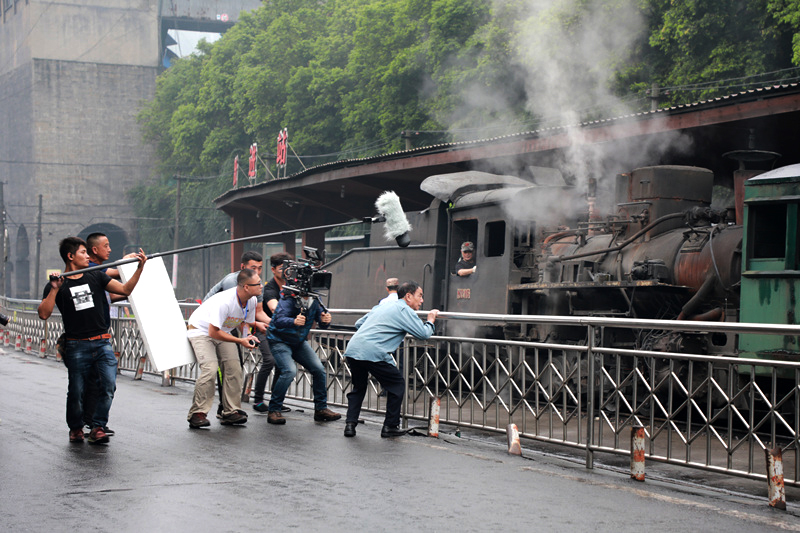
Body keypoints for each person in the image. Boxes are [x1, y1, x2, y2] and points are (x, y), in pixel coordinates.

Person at [38, 237, 147, 444]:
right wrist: (54, 288)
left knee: (108, 385)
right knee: (77, 390)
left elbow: (125, 290)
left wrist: (139, 269)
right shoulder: (58, 284)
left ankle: (97, 426)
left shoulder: (96, 276)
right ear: (70, 256)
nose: (88, 256)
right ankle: (76, 428)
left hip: (102, 342)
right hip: (76, 345)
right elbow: (44, 314)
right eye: (83, 252)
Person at [342, 281, 438, 438]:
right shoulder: (404, 310)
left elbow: (358, 323)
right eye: (420, 296)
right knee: (397, 385)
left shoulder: (383, 305)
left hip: (354, 349)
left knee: (359, 387)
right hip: (374, 352)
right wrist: (431, 320)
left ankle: (350, 425)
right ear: (408, 296)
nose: (422, 300)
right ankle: (390, 426)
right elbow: (423, 334)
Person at [187, 268, 266, 428]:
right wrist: (240, 340)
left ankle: (230, 411)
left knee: (234, 368)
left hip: (223, 330)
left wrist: (248, 336)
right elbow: (213, 332)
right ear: (246, 287)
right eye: (258, 284)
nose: (261, 286)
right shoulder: (225, 301)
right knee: (210, 369)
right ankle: (197, 413)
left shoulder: (251, 300)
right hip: (201, 331)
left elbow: (244, 322)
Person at [204, 251, 274, 418]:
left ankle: (230, 408)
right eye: (253, 268)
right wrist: (246, 333)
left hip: (229, 324)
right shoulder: (233, 282)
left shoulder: (256, 284)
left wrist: (277, 323)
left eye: (259, 268)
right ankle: (223, 408)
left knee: (235, 365)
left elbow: (256, 312)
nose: (257, 272)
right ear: (243, 267)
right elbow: (237, 313)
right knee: (222, 367)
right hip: (212, 325)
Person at [264, 286, 341, 425]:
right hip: (279, 340)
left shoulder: (315, 298)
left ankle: (321, 409)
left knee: (319, 369)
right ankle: (274, 410)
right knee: (289, 371)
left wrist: (325, 320)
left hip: (298, 341)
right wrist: (293, 321)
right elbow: (278, 320)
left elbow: (321, 321)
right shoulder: (289, 297)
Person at [252, 251, 294, 412]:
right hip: (262, 328)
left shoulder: (292, 286)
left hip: (281, 331)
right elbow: (273, 308)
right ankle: (258, 400)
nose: (285, 272)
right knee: (270, 360)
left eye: (288, 268)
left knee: (282, 365)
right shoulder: (269, 288)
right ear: (273, 269)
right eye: (282, 268)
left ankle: (276, 401)